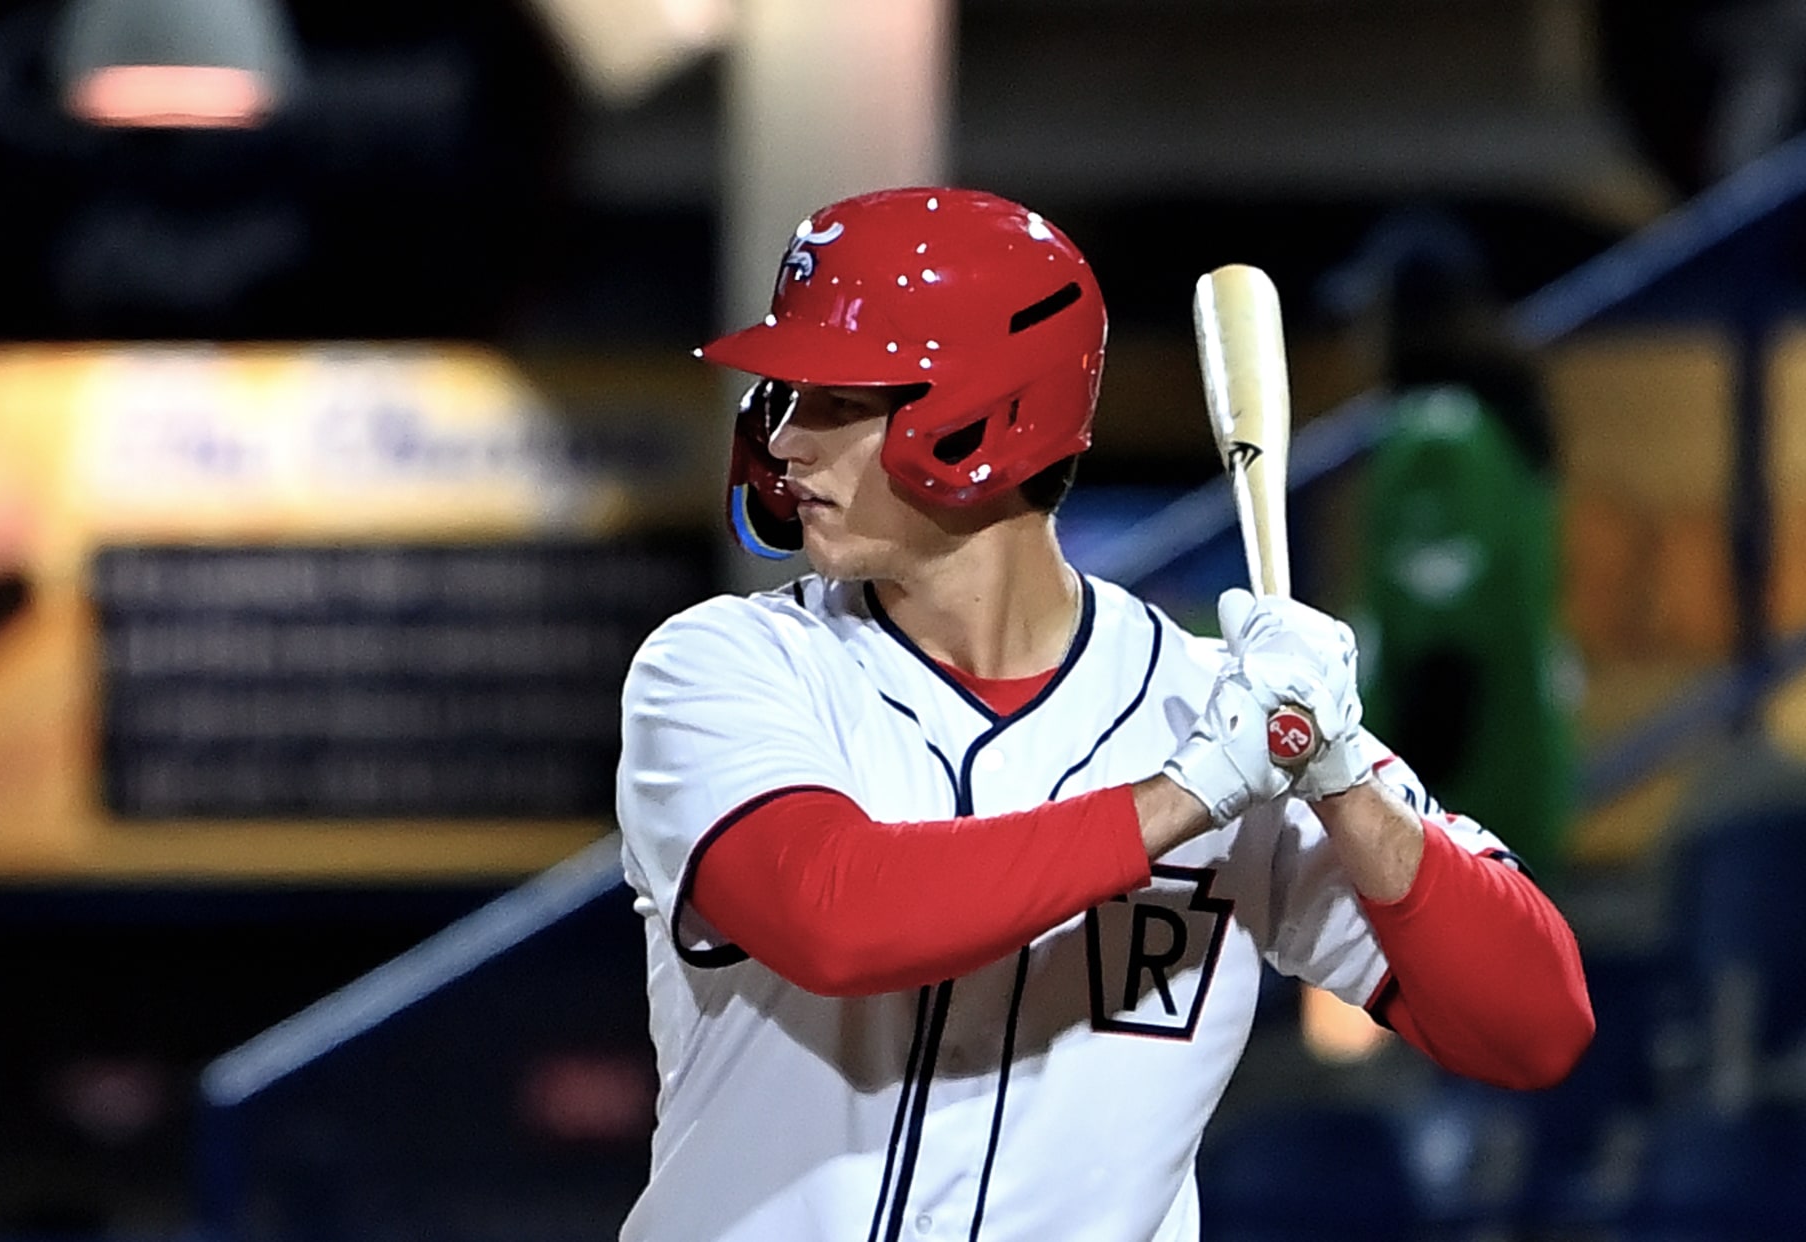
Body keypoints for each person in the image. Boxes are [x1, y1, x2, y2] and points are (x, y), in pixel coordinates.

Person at [615, 187, 1593, 1242]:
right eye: (786, 395)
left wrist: (1345, 775)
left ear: (982, 417)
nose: (785, 439)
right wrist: (1192, 793)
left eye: (838, 400)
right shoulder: (726, 667)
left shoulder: (1216, 709)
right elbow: (834, 916)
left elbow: (1536, 1026)